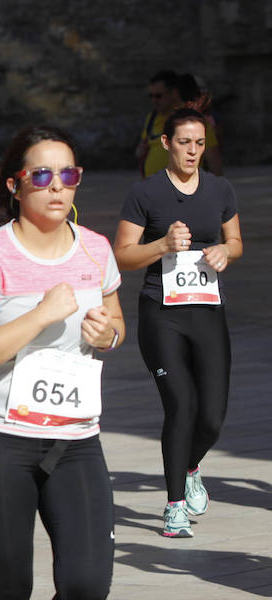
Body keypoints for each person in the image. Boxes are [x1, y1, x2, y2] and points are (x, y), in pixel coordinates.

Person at [0, 126, 124, 599]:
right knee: (9, 589)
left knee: (87, 585)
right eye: (42, 174)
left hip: (76, 440)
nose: (56, 186)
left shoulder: (95, 247)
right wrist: (40, 315)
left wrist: (108, 335)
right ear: (15, 183)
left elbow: (116, 324)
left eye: (67, 174)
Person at [114, 105, 242, 538]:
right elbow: (123, 255)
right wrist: (163, 244)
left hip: (208, 310)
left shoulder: (220, 188)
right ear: (166, 143)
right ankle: (174, 506)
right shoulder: (145, 193)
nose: (193, 151)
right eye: (184, 142)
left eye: (200, 143)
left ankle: (190, 467)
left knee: (212, 417)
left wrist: (227, 251)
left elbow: (236, 240)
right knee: (181, 406)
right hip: (161, 312)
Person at [135, 70, 222, 178]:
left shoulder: (194, 122)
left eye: (158, 96)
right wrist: (140, 152)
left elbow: (214, 160)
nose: (154, 100)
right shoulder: (152, 118)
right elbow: (142, 148)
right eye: (151, 96)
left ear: (174, 93)